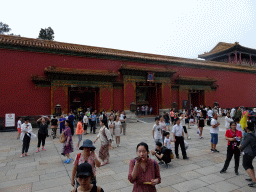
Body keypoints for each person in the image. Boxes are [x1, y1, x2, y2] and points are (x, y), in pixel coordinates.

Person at [240, 122, 256, 187]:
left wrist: (239, 146)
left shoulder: (248, 135)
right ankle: (253, 178)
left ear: (246, 128)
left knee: (245, 165)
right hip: (253, 152)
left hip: (248, 152)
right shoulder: (253, 134)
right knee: (250, 165)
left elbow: (243, 145)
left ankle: (254, 181)